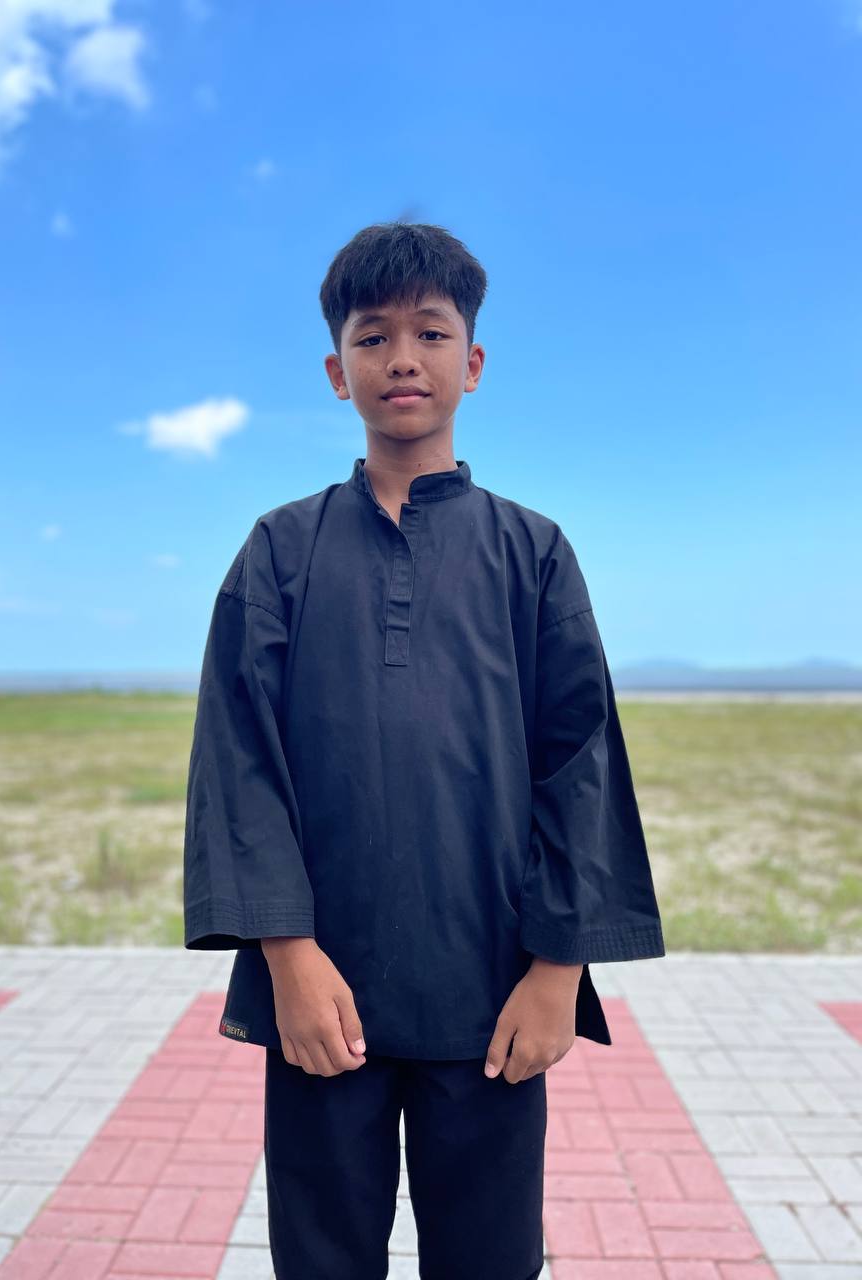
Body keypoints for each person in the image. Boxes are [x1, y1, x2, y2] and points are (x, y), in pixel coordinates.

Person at [183, 221, 666, 1280]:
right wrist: (288, 957)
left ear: (472, 362)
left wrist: (558, 970)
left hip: (493, 994)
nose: (403, 357)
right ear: (336, 370)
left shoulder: (532, 553)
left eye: (431, 333)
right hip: (324, 996)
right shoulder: (281, 550)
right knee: (321, 1256)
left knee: (490, 1258)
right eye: (373, 336)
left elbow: (579, 764)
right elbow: (239, 762)